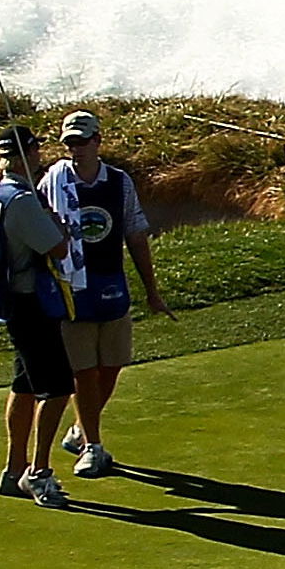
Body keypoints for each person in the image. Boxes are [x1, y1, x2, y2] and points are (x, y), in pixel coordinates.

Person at [41, 110, 172, 479]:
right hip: (72, 290)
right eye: (70, 143)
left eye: (83, 141)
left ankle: (81, 428)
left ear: (98, 140)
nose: (76, 149)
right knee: (83, 371)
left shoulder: (118, 181)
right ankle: (93, 447)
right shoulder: (55, 179)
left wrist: (152, 290)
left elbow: (135, 234)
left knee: (111, 367)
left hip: (111, 284)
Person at [0, 127, 75, 507]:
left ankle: (13, 469)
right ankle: (37, 473)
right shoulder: (22, 200)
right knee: (57, 389)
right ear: (30, 153)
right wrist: (58, 224)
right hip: (31, 303)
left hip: (16, 301)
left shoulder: (4, 192)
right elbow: (58, 246)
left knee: (25, 384)